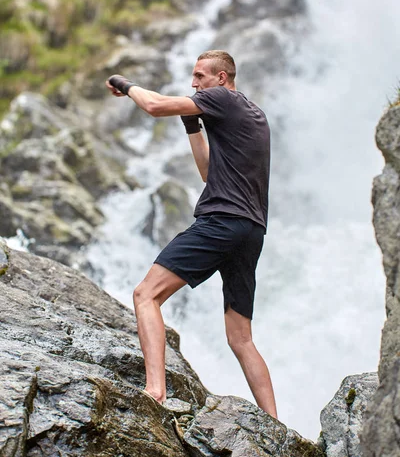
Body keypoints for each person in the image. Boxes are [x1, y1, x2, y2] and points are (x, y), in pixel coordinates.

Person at [106, 50, 277, 418]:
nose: (194, 83)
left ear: (222, 78)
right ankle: (275, 425)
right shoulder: (253, 113)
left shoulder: (221, 98)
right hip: (250, 230)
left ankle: (154, 391)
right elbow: (207, 172)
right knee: (241, 338)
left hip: (220, 222)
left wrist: (125, 84)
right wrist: (191, 124)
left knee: (145, 295)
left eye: (200, 76)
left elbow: (152, 106)